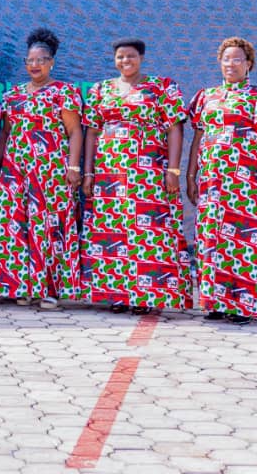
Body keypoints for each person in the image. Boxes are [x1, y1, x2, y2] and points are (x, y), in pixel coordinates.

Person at [80, 38, 190, 315]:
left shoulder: (162, 87)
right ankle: (118, 294)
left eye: (130, 56)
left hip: (147, 173)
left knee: (148, 232)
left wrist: (173, 170)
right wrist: (89, 172)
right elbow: (91, 132)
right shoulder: (100, 90)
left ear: (141, 57)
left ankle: (146, 295)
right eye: (120, 57)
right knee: (112, 230)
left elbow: (175, 129)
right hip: (109, 174)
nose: (125, 61)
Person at [0, 29, 83, 309]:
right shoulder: (13, 96)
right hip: (16, 173)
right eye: (30, 60)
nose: (34, 65)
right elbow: (6, 134)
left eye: (41, 60)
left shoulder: (64, 92)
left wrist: (74, 166)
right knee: (17, 227)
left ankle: (49, 289)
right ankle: (22, 286)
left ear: (52, 62)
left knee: (48, 228)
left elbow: (74, 132)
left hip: (51, 172)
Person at [186, 37, 257, 325]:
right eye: (226, 59)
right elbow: (198, 140)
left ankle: (243, 306)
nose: (231, 64)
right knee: (211, 240)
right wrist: (191, 176)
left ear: (249, 64)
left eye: (237, 59)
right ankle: (216, 302)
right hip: (211, 184)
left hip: (246, 184)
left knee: (243, 242)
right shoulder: (206, 97)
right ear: (220, 62)